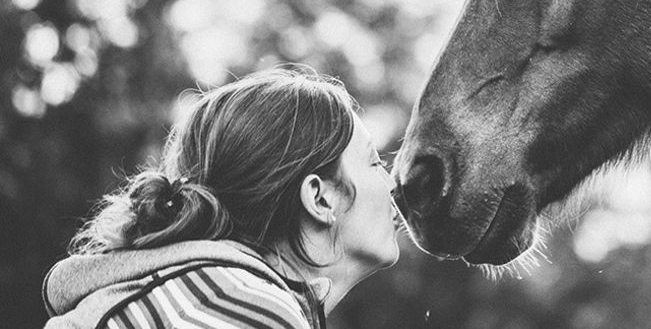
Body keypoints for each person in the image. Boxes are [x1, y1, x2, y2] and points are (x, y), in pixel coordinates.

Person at [41, 68, 403, 328]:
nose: (393, 185)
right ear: (319, 199)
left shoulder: (205, 295)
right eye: (374, 163)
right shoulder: (247, 308)